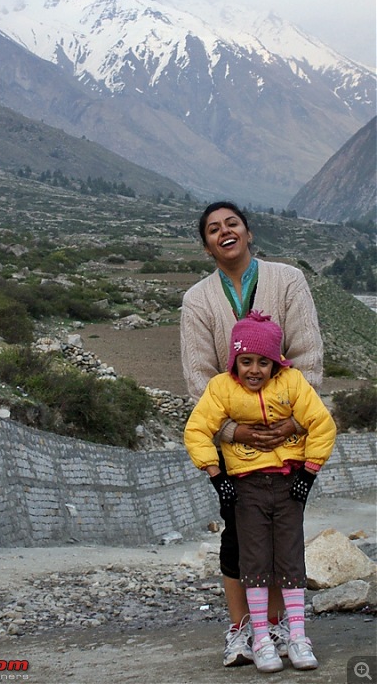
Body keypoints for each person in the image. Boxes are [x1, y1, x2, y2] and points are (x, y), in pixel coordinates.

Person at [180, 201, 323, 667]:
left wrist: (293, 419)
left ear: (248, 231)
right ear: (206, 246)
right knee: (239, 537)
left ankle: (279, 627)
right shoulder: (198, 300)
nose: (225, 232)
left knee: (283, 532)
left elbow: (307, 352)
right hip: (231, 441)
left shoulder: (288, 281)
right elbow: (199, 376)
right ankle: (243, 628)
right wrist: (232, 427)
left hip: (289, 433)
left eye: (232, 224)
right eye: (214, 229)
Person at [184, 311, 336, 672]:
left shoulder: (293, 384)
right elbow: (197, 429)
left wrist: (310, 472)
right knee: (253, 560)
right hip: (246, 486)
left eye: (263, 362)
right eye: (246, 361)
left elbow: (322, 424)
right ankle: (262, 637)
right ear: (234, 361)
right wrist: (217, 476)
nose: (254, 370)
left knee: (290, 557)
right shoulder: (222, 388)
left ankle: (297, 635)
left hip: (288, 484)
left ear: (275, 364)